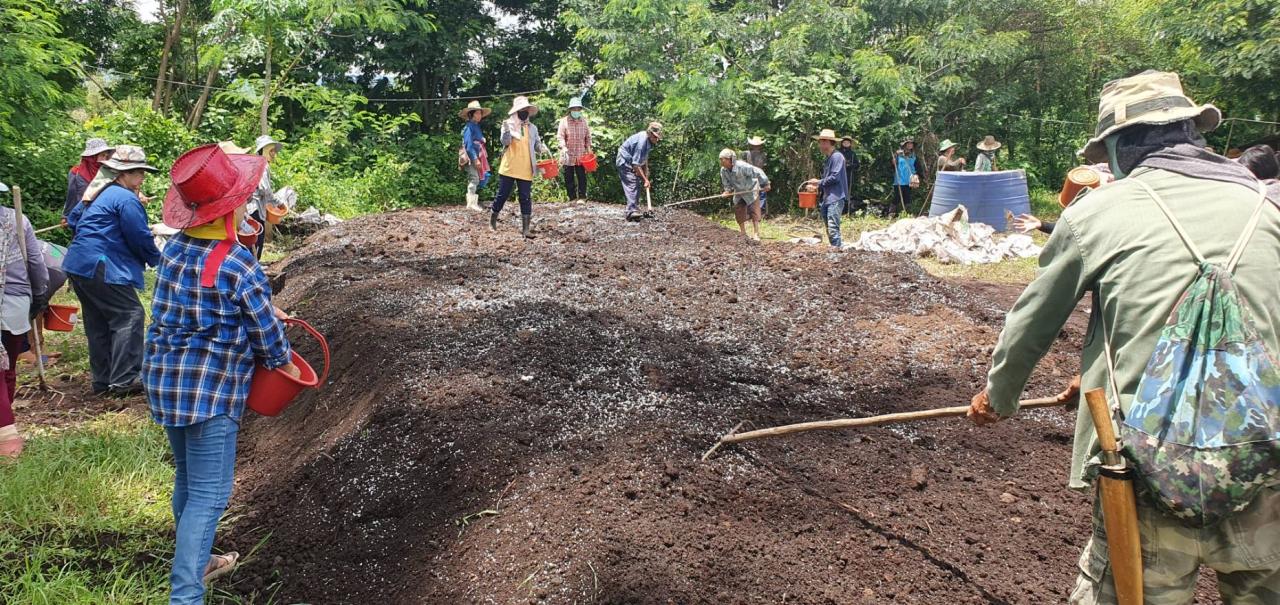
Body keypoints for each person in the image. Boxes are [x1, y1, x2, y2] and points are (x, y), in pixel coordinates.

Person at [967, 70, 1280, 603]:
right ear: (1193, 132)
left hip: (1151, 463)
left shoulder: (1099, 214)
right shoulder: (1268, 208)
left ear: (1119, 146)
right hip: (1264, 457)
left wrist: (999, 398)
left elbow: (1030, 323)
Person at [144, 144, 299, 604]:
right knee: (211, 494)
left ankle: (204, 559)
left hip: (166, 382)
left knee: (188, 481)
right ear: (234, 207)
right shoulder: (238, 263)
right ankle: (185, 595)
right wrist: (284, 362)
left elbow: (193, 306)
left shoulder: (174, 249)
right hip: (211, 391)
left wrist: (261, 305)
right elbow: (269, 341)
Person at [63, 146, 162, 397]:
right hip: (101, 264)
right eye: (138, 172)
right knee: (129, 314)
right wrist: (158, 259)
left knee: (98, 321)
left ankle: (103, 380)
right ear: (123, 174)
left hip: (78, 263)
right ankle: (125, 379)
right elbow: (138, 236)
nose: (142, 178)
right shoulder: (125, 198)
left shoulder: (97, 193)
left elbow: (74, 220)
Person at [0, 181, 48, 460]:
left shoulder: (18, 219)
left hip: (13, 300)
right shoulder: (15, 219)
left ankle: (6, 432)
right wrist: (40, 294)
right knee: (8, 368)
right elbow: (36, 263)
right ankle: (7, 430)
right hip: (15, 302)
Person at [490, 96, 550, 238]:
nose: (524, 112)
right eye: (522, 110)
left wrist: (542, 149)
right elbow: (505, 142)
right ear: (516, 111)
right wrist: (505, 131)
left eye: (526, 110)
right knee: (502, 195)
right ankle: (492, 221)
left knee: (525, 197)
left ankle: (526, 229)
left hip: (526, 167)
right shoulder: (508, 124)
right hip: (510, 166)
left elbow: (536, 146)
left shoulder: (533, 128)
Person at [803, 129, 847, 249]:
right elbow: (828, 180)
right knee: (829, 227)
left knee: (833, 228)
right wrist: (817, 186)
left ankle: (837, 251)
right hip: (827, 198)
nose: (820, 145)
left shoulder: (837, 157)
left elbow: (835, 177)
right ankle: (835, 249)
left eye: (822, 142)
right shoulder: (829, 159)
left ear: (828, 142)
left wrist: (818, 182)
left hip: (835, 197)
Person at [719, 149, 770, 241]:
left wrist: (765, 183)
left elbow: (757, 171)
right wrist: (727, 191)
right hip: (738, 191)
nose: (722, 161)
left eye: (724, 159)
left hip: (751, 189)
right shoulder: (724, 171)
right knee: (739, 210)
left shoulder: (742, 166)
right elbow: (726, 183)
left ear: (731, 159)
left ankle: (756, 234)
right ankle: (743, 233)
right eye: (721, 159)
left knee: (754, 211)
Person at [246, 135, 284, 259]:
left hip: (251, 207)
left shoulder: (254, 163)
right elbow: (264, 189)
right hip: (255, 208)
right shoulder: (262, 165)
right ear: (264, 150)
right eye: (271, 151)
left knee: (252, 239)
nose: (274, 154)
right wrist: (278, 202)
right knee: (257, 240)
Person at [617, 122, 663, 222]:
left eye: (658, 137)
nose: (657, 139)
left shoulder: (649, 142)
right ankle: (631, 211)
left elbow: (644, 158)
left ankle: (634, 208)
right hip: (624, 160)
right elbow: (636, 164)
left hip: (632, 161)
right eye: (655, 137)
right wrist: (645, 179)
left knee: (636, 183)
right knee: (632, 183)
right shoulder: (641, 142)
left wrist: (646, 172)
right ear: (650, 133)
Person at [63, 138, 115, 224]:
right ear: (92, 157)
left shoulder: (108, 173)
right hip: (82, 218)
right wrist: (66, 216)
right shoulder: (76, 173)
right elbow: (71, 195)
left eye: (106, 156)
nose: (105, 159)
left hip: (105, 218)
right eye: (102, 156)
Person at [557, 97, 593, 202]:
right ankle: (572, 198)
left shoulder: (584, 121)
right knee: (569, 177)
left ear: (580, 110)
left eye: (578, 109)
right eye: (574, 109)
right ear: (570, 110)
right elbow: (560, 136)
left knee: (581, 176)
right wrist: (563, 147)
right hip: (568, 153)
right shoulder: (564, 121)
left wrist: (589, 148)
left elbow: (588, 136)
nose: (576, 111)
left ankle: (582, 197)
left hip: (581, 154)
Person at [459, 100, 492, 211]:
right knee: (474, 178)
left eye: (480, 113)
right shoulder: (469, 127)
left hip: (478, 155)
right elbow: (468, 146)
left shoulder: (475, 126)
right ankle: (471, 204)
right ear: (471, 114)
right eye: (477, 113)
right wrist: (475, 159)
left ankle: (473, 202)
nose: (479, 115)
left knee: (478, 178)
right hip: (471, 156)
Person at [890, 137, 922, 217]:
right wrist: (893, 162)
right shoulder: (898, 154)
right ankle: (891, 214)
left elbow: (918, 168)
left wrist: (917, 175)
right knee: (897, 198)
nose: (910, 145)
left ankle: (907, 214)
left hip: (909, 180)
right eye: (909, 143)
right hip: (899, 180)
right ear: (905, 145)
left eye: (911, 143)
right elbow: (892, 165)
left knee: (907, 198)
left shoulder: (914, 156)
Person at [839, 136, 862, 215]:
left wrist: (851, 165)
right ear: (842, 143)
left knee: (847, 193)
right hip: (838, 175)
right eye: (844, 143)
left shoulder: (852, 154)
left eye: (847, 143)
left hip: (848, 176)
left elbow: (857, 165)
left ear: (850, 144)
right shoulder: (838, 152)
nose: (846, 144)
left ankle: (845, 211)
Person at [745, 136, 767, 214]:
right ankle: (755, 212)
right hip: (751, 177)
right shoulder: (747, 154)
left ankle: (758, 212)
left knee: (761, 194)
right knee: (753, 194)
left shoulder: (763, 155)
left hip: (757, 177)